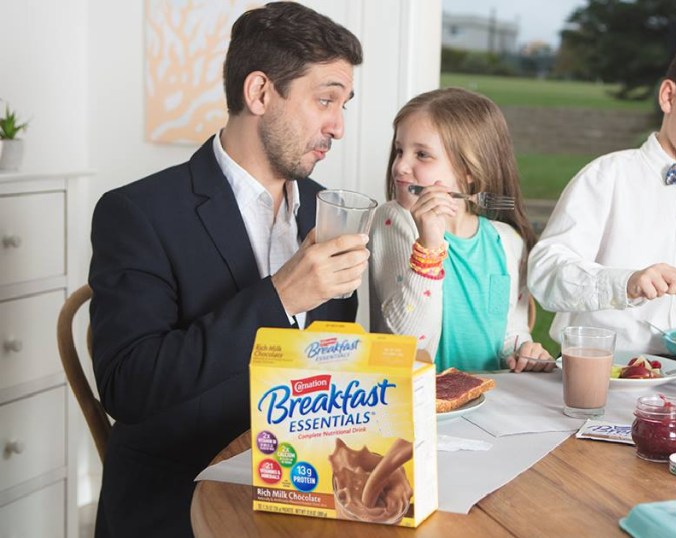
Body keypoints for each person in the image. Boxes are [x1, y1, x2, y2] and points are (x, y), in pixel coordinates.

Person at [88, 3, 367, 535]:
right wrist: (280, 297)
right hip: (181, 498)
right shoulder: (137, 212)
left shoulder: (325, 207)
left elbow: (333, 360)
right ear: (260, 93)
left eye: (344, 104)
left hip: (308, 491)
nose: (338, 126)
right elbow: (128, 384)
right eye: (326, 100)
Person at [528, 32, 676, 354]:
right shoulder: (606, 177)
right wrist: (627, 282)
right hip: (598, 373)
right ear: (669, 96)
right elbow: (545, 272)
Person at [369, 88, 552, 372]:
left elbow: (508, 333)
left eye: (422, 155)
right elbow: (408, 345)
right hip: (417, 405)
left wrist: (525, 351)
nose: (401, 166)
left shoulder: (506, 242)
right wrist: (428, 248)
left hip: (488, 402)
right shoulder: (395, 222)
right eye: (399, 151)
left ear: (469, 171)